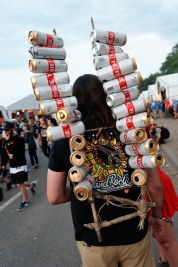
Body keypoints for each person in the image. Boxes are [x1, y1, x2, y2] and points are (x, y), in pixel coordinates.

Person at [47, 74, 164, 267]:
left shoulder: (64, 140)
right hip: (133, 232)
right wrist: (158, 217)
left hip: (94, 238)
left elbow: (55, 196)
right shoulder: (131, 130)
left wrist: (80, 190)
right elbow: (155, 186)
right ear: (107, 96)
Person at [0, 121, 36, 211]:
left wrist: (7, 141)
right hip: (12, 165)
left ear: (12, 128)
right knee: (15, 184)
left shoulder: (18, 139)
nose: (6, 132)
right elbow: (5, 153)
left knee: (20, 183)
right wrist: (3, 164)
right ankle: (31, 185)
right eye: (4, 130)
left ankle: (25, 201)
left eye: (7, 130)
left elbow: (12, 150)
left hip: (20, 164)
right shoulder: (6, 140)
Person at [147, 169, 178, 267]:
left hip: (151, 184)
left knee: (166, 239)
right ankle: (164, 261)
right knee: (159, 234)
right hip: (138, 185)